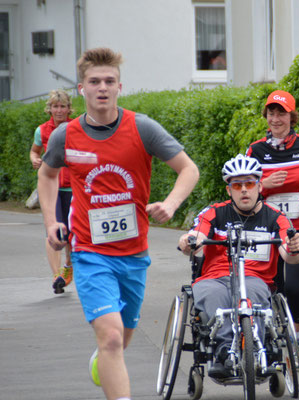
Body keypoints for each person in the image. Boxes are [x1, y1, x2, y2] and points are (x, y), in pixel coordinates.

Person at [37, 47, 199, 400]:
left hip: (134, 252)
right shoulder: (67, 135)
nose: (102, 88)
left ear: (119, 87)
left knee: (120, 337)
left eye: (109, 81)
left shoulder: (141, 128)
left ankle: (105, 355)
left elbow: (189, 169)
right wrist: (51, 222)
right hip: (89, 252)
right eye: (94, 81)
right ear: (82, 88)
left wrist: (171, 204)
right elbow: (47, 176)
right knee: (111, 336)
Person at [178, 154, 299, 378]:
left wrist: (294, 247)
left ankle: (256, 349)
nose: (244, 190)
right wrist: (189, 241)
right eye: (237, 185)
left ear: (259, 185)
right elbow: (197, 239)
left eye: (249, 183)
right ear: (229, 190)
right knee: (215, 296)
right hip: (214, 278)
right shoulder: (214, 212)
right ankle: (225, 351)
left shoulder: (276, 217)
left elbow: (290, 255)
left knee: (254, 295)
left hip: (255, 278)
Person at [247, 90, 299, 367]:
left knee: (294, 286)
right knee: (271, 287)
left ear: (292, 115)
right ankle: (271, 342)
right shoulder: (256, 151)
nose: (276, 118)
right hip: (266, 231)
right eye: (271, 113)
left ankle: (297, 337)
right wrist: (264, 185)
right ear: (266, 116)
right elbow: (242, 187)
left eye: (282, 113)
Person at [29, 89, 75, 294]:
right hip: (53, 187)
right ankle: (56, 275)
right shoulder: (42, 131)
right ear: (50, 108)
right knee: (54, 231)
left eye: (62, 106)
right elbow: (34, 151)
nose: (59, 110)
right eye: (55, 106)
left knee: (73, 233)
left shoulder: (76, 128)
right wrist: (34, 159)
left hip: (74, 186)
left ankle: (68, 266)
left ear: (68, 108)